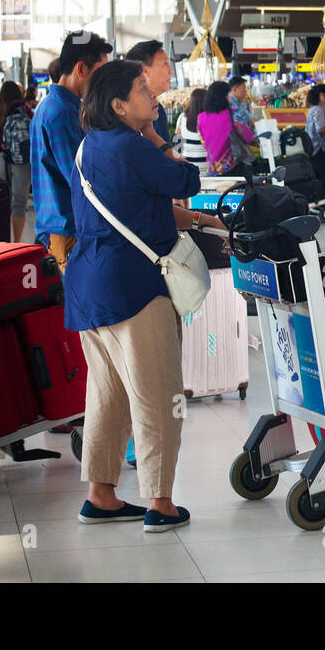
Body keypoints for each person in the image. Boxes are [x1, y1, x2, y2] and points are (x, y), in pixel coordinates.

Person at [67, 59, 203, 533]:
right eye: (143, 88)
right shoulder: (133, 146)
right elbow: (187, 180)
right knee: (158, 395)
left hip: (89, 287)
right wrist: (157, 137)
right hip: (134, 288)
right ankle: (160, 503)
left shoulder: (88, 148)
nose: (154, 95)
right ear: (120, 105)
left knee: (107, 393)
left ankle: (100, 494)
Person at [30, 31, 112, 270]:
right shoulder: (62, 114)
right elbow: (81, 178)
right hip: (70, 232)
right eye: (100, 74)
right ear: (81, 70)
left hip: (63, 228)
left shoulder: (54, 107)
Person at [0, 81, 33, 243]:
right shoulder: (26, 111)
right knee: (19, 202)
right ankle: (16, 242)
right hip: (22, 160)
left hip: (0, 159)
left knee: (2, 201)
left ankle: (3, 240)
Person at [199, 80, 256, 177]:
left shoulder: (201, 117)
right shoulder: (230, 115)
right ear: (223, 96)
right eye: (228, 94)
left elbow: (204, 142)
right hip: (232, 167)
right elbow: (248, 137)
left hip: (212, 167)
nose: (230, 98)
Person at [126, 40, 175, 142]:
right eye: (165, 63)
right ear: (145, 71)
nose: (171, 71)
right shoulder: (149, 110)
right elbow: (162, 156)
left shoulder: (155, 108)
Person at [175, 87, 209, 174]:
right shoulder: (211, 120)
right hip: (207, 169)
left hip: (188, 169)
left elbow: (177, 148)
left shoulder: (182, 118)